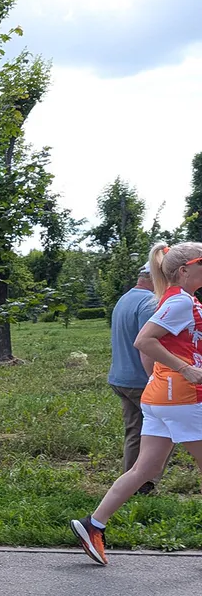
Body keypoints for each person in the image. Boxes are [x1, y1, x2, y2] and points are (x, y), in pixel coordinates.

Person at [71, 241, 202, 566]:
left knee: (146, 468)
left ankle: (93, 525)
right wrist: (184, 368)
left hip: (162, 398)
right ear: (184, 270)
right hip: (182, 397)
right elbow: (144, 340)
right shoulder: (180, 302)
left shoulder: (184, 300)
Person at [108, 264, 163, 493]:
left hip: (120, 378)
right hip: (140, 380)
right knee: (161, 431)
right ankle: (145, 483)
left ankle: (129, 481)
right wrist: (154, 380)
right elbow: (146, 345)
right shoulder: (149, 303)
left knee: (135, 431)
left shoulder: (125, 299)